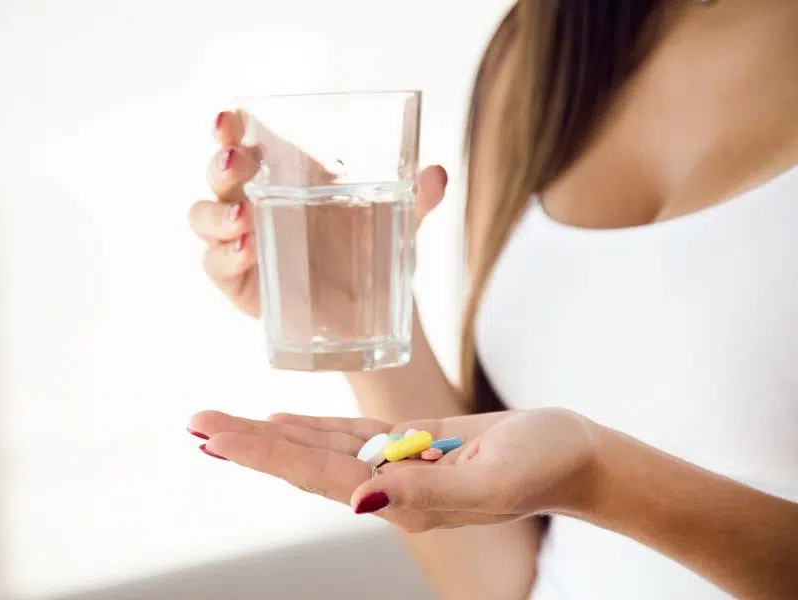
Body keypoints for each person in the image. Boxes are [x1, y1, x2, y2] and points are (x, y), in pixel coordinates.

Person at [186, 1, 798, 598]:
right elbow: (500, 582)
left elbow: (589, 478)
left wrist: (603, 480)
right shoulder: (544, 49)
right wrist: (354, 314)